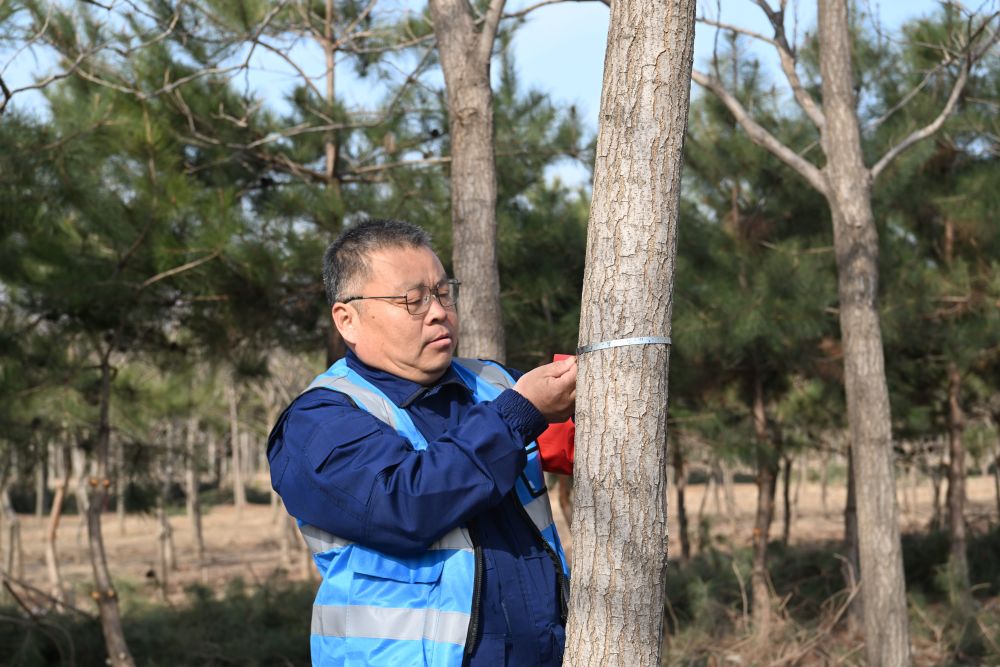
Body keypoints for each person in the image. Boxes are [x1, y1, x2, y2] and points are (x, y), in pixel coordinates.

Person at [267, 218, 577, 666]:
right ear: (347, 319)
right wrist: (519, 413)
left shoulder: (493, 384)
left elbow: (574, 441)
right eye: (412, 300)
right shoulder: (318, 421)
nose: (437, 312)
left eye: (443, 294)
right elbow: (404, 506)